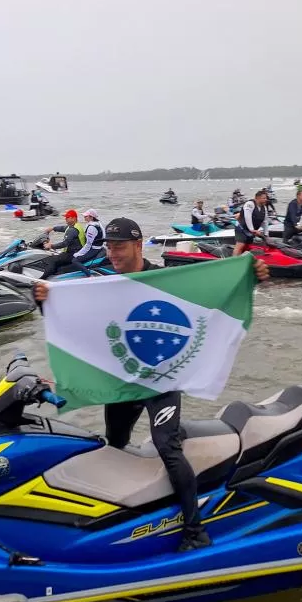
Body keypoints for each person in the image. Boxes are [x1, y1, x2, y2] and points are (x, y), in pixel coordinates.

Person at [32, 217, 269, 552]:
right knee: (114, 445)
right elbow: (78, 322)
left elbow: (214, 294)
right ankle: (121, 519)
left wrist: (251, 277)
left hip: (162, 382)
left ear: (139, 245)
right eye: (109, 246)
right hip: (123, 382)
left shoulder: (166, 279)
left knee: (166, 446)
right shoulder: (105, 283)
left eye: (120, 246)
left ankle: (194, 530)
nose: (113, 253)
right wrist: (44, 300)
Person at [41, 209, 84, 278]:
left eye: (67, 218)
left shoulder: (73, 230)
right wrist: (52, 228)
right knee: (56, 255)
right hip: (77, 252)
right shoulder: (76, 226)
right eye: (65, 217)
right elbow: (63, 228)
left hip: (72, 254)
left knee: (51, 259)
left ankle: (45, 278)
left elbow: (64, 244)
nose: (65, 219)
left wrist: (51, 245)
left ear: (74, 218)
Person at [233, 189, 269, 256]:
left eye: (266, 198)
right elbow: (247, 217)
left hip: (251, 231)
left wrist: (266, 234)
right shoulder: (250, 204)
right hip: (241, 228)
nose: (266, 199)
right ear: (257, 198)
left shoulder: (264, 208)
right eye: (264, 198)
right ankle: (234, 261)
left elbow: (265, 221)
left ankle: (242, 260)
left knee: (247, 246)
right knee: (240, 245)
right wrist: (252, 229)